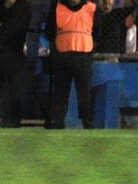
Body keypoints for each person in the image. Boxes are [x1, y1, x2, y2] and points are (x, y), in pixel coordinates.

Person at [44, 0, 100, 129]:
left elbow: (97, 31)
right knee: (61, 93)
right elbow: (49, 31)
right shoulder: (57, 7)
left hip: (82, 57)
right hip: (63, 57)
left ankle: (86, 123)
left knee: (84, 94)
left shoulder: (91, 8)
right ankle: (58, 122)